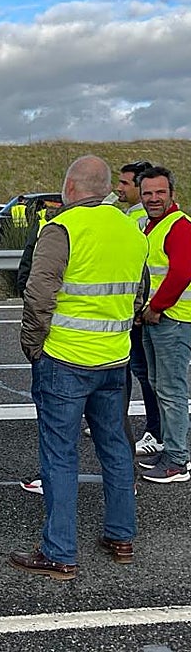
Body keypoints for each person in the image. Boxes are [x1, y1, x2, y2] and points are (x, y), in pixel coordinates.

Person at [10, 156, 146, 580]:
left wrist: (33, 345)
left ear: (70, 187)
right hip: (114, 358)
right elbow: (139, 293)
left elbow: (38, 294)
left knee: (60, 454)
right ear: (104, 189)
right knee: (115, 448)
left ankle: (59, 550)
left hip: (65, 359)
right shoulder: (131, 229)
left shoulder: (62, 228)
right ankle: (121, 536)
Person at [137, 166, 191, 484]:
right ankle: (171, 450)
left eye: (160, 192)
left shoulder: (178, 226)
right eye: (148, 193)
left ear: (172, 193)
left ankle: (177, 461)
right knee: (161, 386)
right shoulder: (154, 226)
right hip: (158, 319)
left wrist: (156, 307)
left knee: (171, 391)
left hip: (172, 319)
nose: (153, 198)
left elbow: (182, 272)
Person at [113, 160, 162, 456]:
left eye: (125, 183)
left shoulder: (141, 219)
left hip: (147, 311)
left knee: (147, 375)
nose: (118, 188)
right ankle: (118, 422)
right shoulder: (131, 215)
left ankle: (155, 431)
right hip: (138, 308)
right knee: (136, 370)